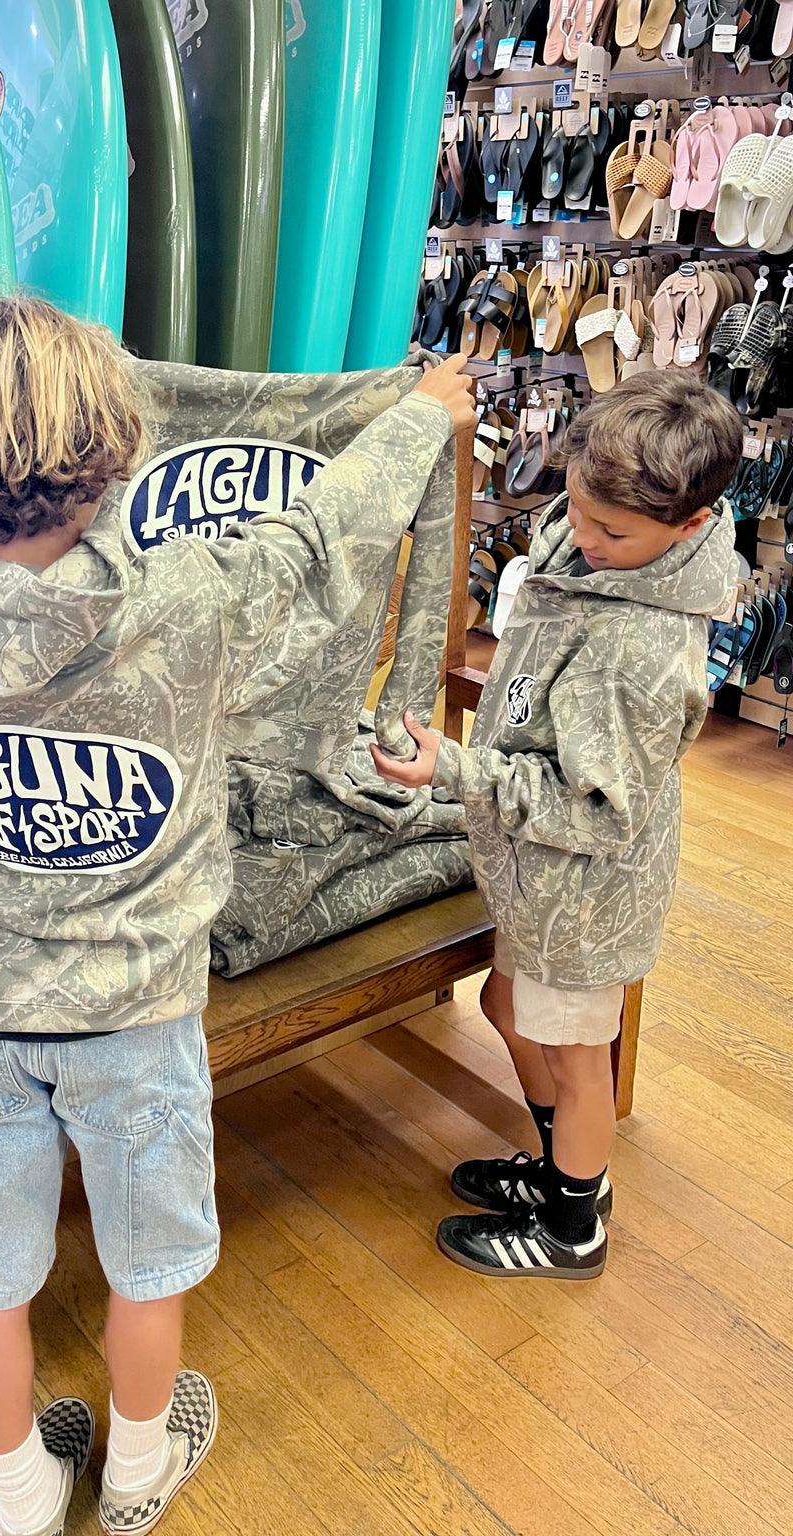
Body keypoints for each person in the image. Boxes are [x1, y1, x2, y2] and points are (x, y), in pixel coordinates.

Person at [0, 292, 475, 1536]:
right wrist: (418, 417)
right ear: (110, 462)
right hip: (139, 1018)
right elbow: (324, 534)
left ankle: (24, 1499)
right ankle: (136, 1475)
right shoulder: (190, 599)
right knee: (148, 1268)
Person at [372, 371, 742, 1281]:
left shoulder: (638, 652)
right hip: (535, 872)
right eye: (576, 509)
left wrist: (455, 770)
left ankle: (574, 1225)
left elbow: (594, 811)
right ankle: (559, 1170)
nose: (583, 536)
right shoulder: (597, 555)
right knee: (506, 1008)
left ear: (690, 524)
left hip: (584, 891)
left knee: (579, 1057)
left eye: (611, 531)